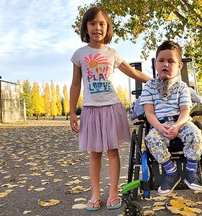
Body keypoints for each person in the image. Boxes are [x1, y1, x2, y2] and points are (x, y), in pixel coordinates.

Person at [69, 6, 151, 211]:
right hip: (90, 110)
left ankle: (114, 192)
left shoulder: (112, 53)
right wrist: (72, 111)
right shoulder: (80, 54)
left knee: (113, 151)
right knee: (94, 152)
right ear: (86, 27)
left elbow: (132, 72)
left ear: (107, 27)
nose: (97, 27)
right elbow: (76, 84)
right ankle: (95, 194)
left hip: (112, 108)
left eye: (102, 24)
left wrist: (156, 81)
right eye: (93, 23)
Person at [139, 40, 202, 196]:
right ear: (155, 64)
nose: (165, 65)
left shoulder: (182, 87)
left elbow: (185, 111)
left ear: (179, 65)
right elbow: (149, 113)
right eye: (161, 61)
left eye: (171, 61)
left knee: (196, 133)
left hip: (181, 122)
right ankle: (171, 171)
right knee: (151, 139)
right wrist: (160, 128)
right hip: (159, 124)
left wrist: (177, 126)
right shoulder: (149, 86)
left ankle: (191, 171)